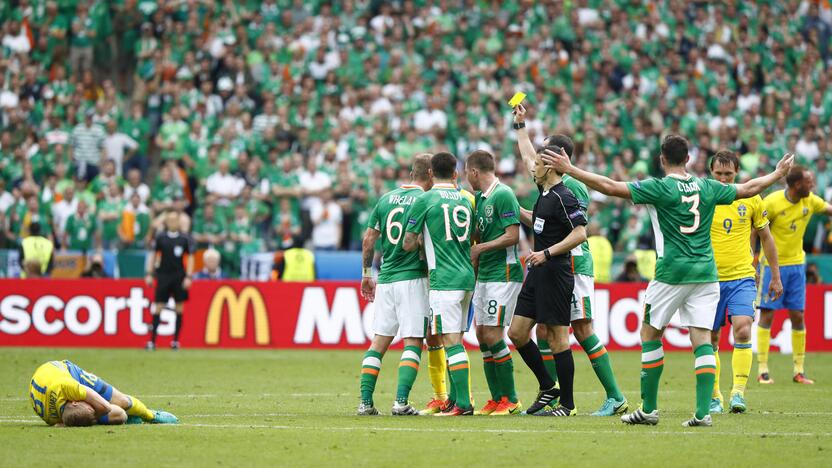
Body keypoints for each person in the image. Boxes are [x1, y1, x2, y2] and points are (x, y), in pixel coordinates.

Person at [543, 135, 793, 427]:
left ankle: (648, 409)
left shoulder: (659, 188)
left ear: (662, 160)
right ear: (688, 159)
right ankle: (702, 413)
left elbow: (610, 187)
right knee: (701, 340)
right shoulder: (708, 186)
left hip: (671, 273)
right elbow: (749, 188)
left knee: (650, 335)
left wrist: (570, 169)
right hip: (706, 274)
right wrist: (777, 174)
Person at [516, 114, 628, 417]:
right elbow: (528, 159)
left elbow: (578, 231)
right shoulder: (545, 185)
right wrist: (520, 128)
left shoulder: (572, 188)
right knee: (543, 331)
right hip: (552, 265)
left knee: (580, 328)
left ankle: (614, 396)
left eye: (545, 151)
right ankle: (552, 394)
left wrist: (552, 254)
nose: (538, 156)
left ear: (557, 158)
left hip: (572, 264)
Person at [503, 137, 587, 418]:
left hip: (555, 271)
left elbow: (580, 233)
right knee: (516, 332)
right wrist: (513, 210)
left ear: (550, 167)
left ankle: (568, 405)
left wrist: (547, 253)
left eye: (538, 164)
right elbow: (537, 222)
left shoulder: (565, 196)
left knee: (558, 339)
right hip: (538, 272)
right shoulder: (544, 194)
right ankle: (548, 386)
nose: (533, 168)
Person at [707, 150, 783, 415]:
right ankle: (714, 396)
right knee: (711, 338)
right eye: (719, 174)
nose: (724, 179)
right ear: (711, 173)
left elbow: (767, 238)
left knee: (742, 329)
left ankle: (737, 393)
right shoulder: (704, 197)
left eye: (729, 174)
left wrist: (775, 275)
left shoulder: (752, 199)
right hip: (709, 279)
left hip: (742, 276)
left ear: (737, 173)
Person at [356, 154, 433, 416]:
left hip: (386, 278)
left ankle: (365, 403)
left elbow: (368, 240)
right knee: (413, 341)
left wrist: (367, 274)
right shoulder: (426, 199)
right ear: (431, 174)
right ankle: (400, 402)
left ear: (413, 173)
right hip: (413, 277)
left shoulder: (386, 198)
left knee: (378, 342)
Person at [402, 152, 475, 416]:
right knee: (457, 339)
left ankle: (464, 405)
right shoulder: (466, 200)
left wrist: (421, 240)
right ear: (456, 174)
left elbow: (408, 243)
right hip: (467, 275)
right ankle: (456, 401)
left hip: (443, 280)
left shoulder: (425, 199)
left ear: (430, 174)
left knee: (451, 341)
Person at [757, 165, 832, 385]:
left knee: (798, 316)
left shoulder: (810, 201)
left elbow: (828, 209)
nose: (813, 185)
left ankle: (799, 370)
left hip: (797, 265)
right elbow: (755, 228)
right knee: (768, 315)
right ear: (797, 184)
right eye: (809, 182)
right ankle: (762, 370)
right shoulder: (772, 202)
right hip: (772, 266)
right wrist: (753, 258)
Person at [461, 150, 522, 415]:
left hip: (504, 273)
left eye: (467, 173)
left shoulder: (503, 194)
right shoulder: (480, 199)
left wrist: (480, 248)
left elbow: (513, 236)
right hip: (485, 273)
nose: (466, 178)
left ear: (474, 172)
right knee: (482, 335)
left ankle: (512, 399)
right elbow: (480, 232)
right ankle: (496, 398)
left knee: (494, 334)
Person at [29, 359, 178, 426]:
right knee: (121, 416)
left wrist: (96, 412)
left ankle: (150, 415)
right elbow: (109, 411)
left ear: (74, 401)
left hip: (64, 371)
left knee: (122, 401)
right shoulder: (52, 419)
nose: (92, 408)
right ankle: (128, 417)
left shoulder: (67, 386)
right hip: (45, 388)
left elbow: (106, 407)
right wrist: (92, 416)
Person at [145, 211, 194, 351]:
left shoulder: (185, 239)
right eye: (170, 220)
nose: (173, 222)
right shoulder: (161, 238)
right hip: (163, 276)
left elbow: (190, 257)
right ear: (166, 222)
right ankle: (152, 341)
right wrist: (149, 273)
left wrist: (189, 276)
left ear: (179, 222)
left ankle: (175, 341)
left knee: (179, 308)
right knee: (158, 306)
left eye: (175, 220)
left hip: (179, 276)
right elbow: (153, 255)